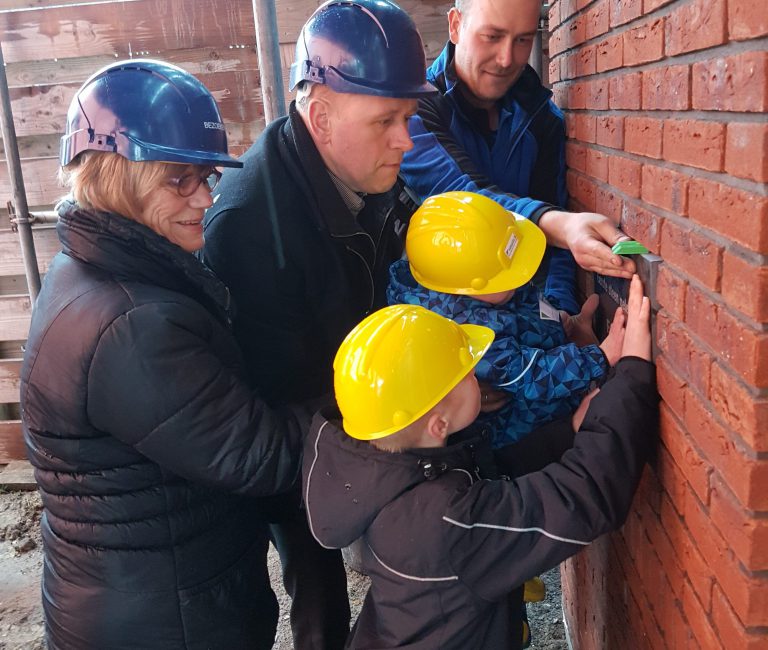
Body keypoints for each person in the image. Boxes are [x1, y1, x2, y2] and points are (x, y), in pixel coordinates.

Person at [20, 60, 311, 650]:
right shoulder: (130, 324)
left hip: (153, 592)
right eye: (180, 179)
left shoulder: (101, 265)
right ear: (114, 174)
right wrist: (383, 408)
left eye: (205, 176)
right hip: (165, 620)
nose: (205, 197)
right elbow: (264, 456)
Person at [199, 1, 436, 647]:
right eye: (385, 120)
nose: (405, 141)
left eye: (409, 118)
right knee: (313, 569)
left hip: (356, 395)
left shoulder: (372, 171)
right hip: (294, 429)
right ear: (320, 114)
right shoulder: (248, 225)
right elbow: (270, 398)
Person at [304, 274, 658, 649]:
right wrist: (633, 371)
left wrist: (568, 431)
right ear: (438, 423)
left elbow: (489, 474)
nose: (477, 374)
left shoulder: (386, 471)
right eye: (467, 372)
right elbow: (584, 495)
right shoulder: (446, 522)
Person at [400, 0, 636, 313]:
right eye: (492, 36)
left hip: (526, 320)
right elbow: (464, 196)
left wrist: (560, 316)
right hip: (441, 322)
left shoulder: (544, 119)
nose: (507, 59)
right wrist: (560, 225)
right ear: (455, 25)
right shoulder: (413, 111)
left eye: (523, 39)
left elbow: (556, 247)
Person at [389, 191, 621, 447]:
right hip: (517, 426)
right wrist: (599, 357)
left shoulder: (483, 289)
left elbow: (524, 303)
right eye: (506, 277)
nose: (517, 277)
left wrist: (561, 321)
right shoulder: (465, 333)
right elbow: (531, 377)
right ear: (466, 287)